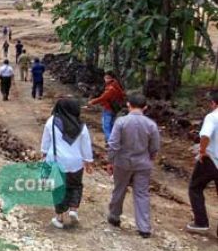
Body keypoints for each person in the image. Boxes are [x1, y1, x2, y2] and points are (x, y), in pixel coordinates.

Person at [106, 93, 160, 238]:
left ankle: (114, 216)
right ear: (145, 107)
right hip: (143, 163)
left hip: (122, 162)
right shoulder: (151, 124)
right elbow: (154, 147)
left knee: (119, 189)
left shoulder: (121, 122)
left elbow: (113, 144)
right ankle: (144, 227)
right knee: (142, 194)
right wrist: (150, 158)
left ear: (128, 105)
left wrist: (110, 161)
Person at [41, 98, 94, 228]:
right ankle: (73, 209)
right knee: (75, 185)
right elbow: (86, 145)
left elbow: (46, 141)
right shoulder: (81, 125)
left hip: (57, 161)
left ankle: (59, 218)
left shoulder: (52, 121)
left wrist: (43, 154)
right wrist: (88, 161)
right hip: (76, 162)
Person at [186, 90, 218, 234]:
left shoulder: (212, 117)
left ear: (213, 103)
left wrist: (202, 151)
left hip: (211, 158)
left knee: (195, 187)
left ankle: (201, 222)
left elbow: (205, 135)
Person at [89, 71, 125, 143]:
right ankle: (109, 140)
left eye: (107, 78)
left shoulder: (110, 88)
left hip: (108, 108)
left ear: (110, 78)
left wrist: (92, 102)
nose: (105, 79)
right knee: (111, 125)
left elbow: (103, 97)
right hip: (115, 108)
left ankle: (110, 142)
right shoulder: (116, 85)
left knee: (106, 126)